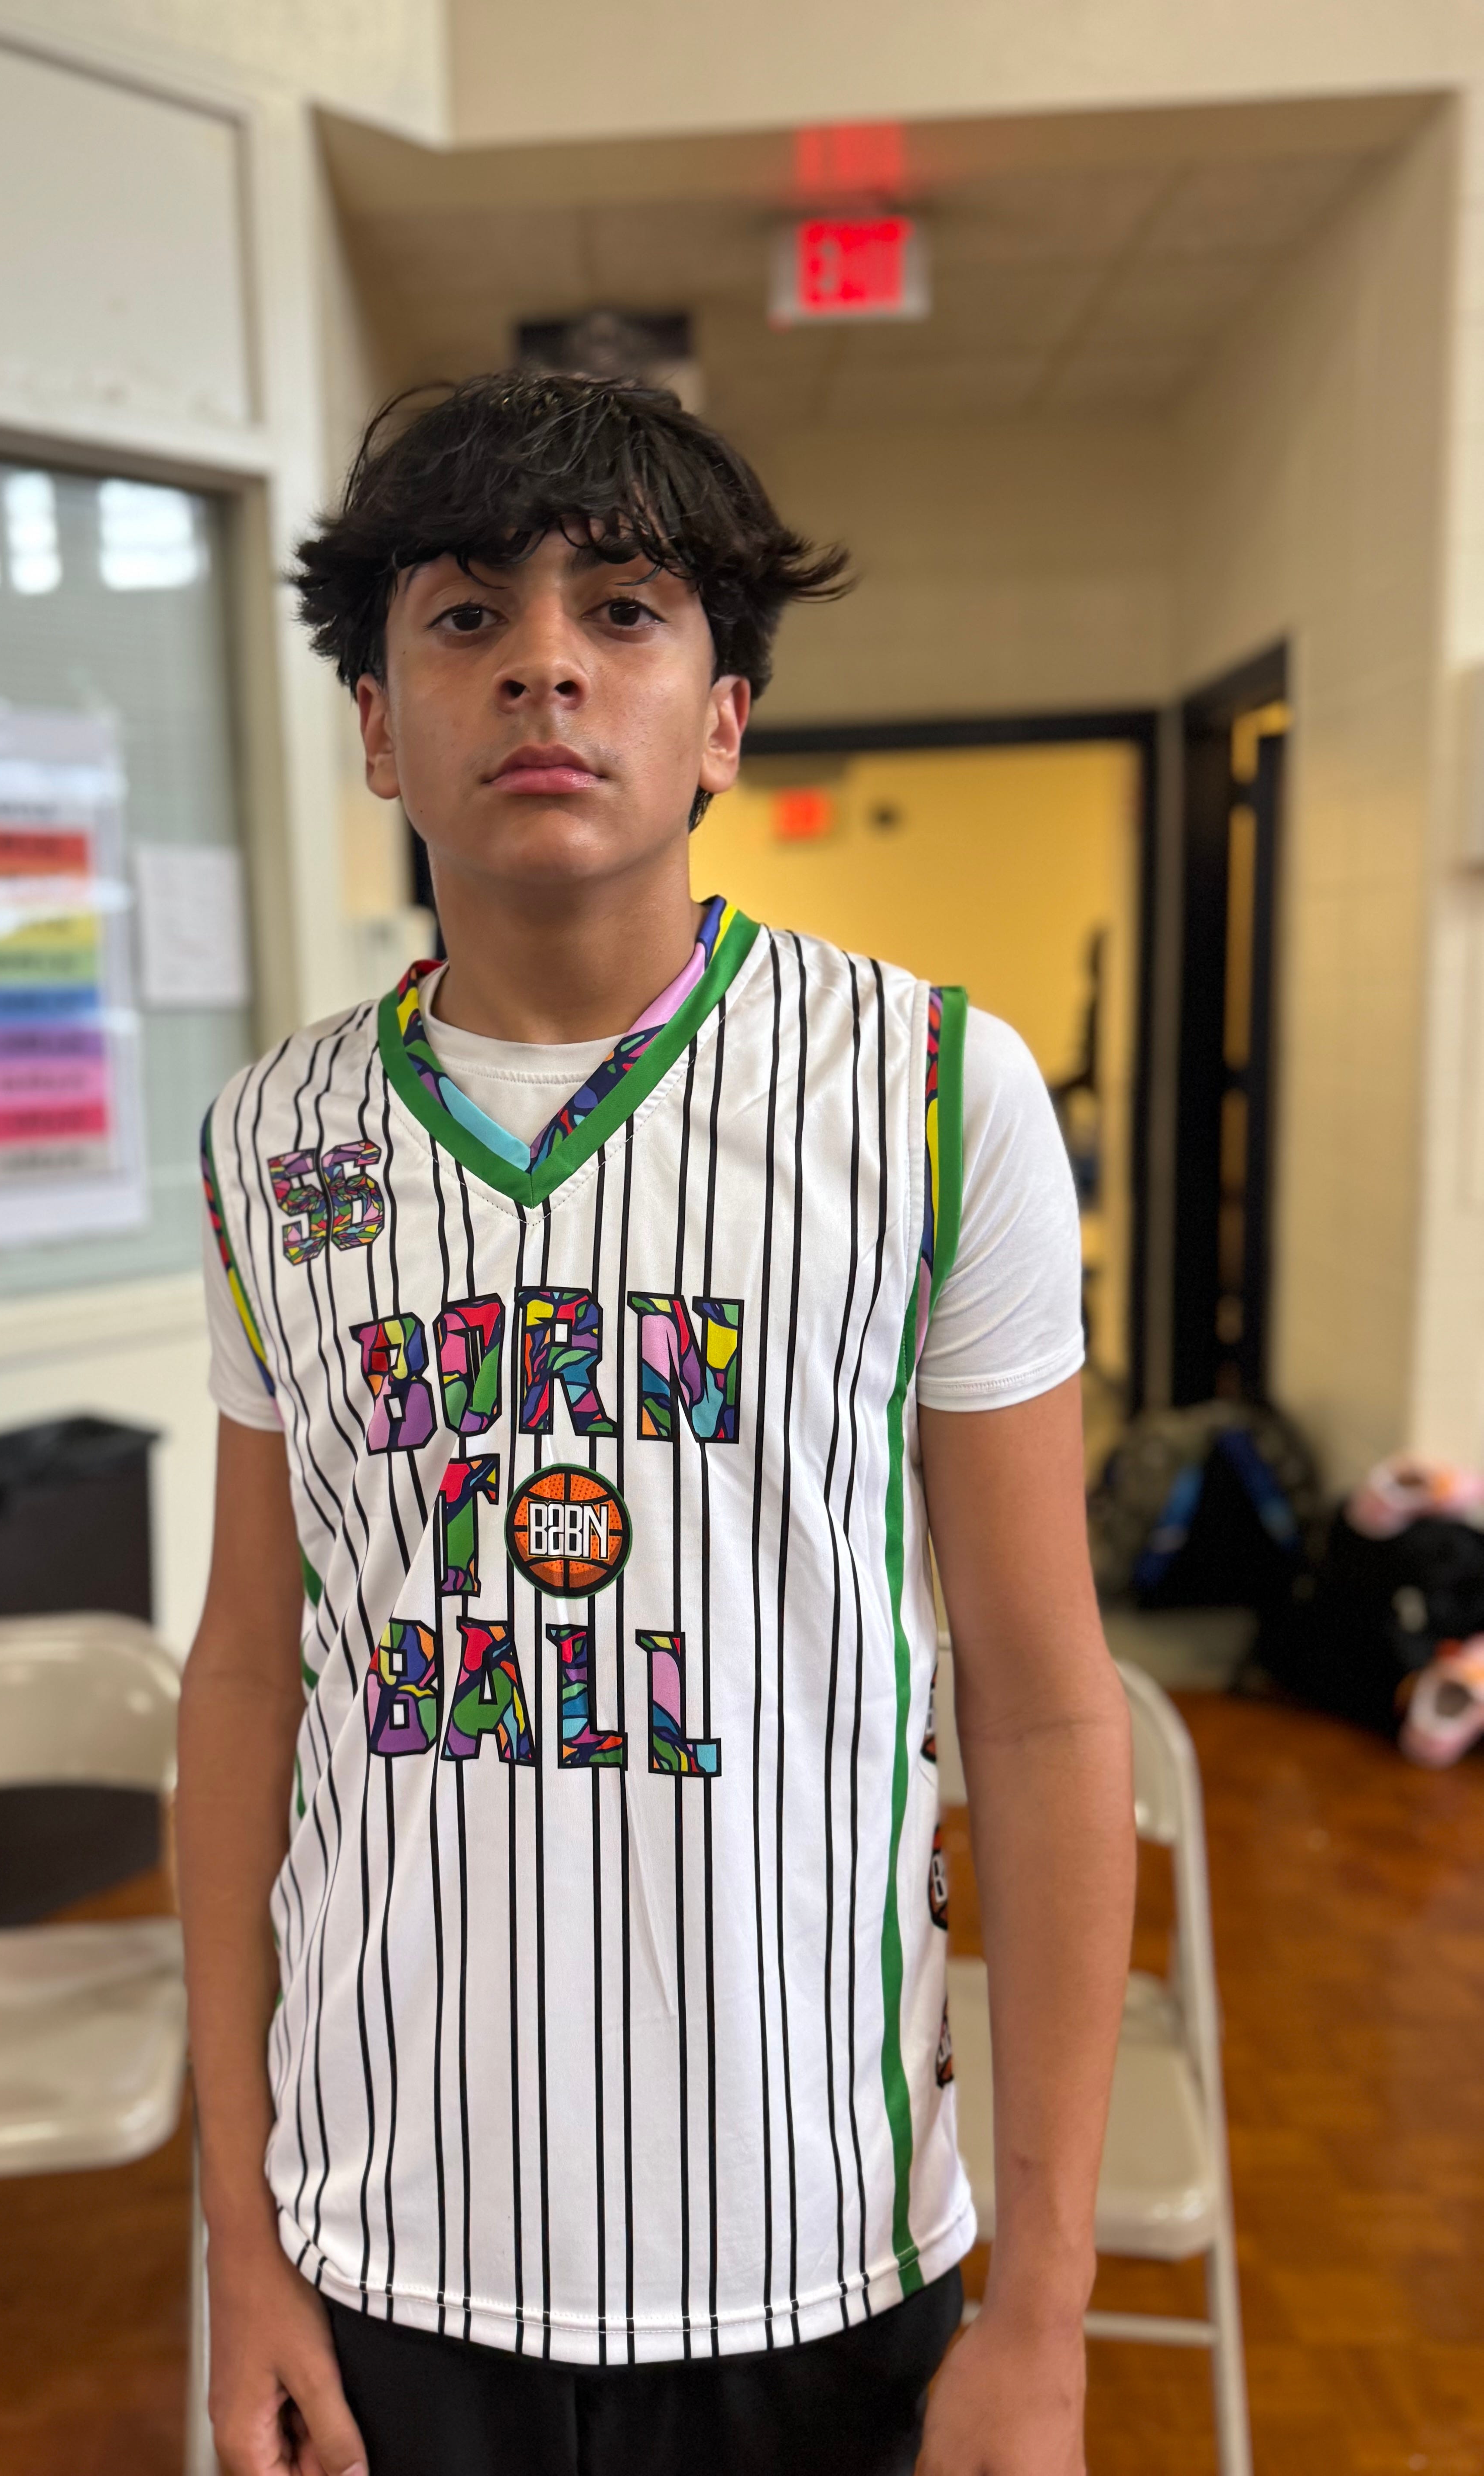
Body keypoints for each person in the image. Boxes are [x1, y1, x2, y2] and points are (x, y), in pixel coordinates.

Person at [180, 371, 1136, 2476]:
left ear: (720, 720)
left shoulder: (930, 1094)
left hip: (815, 2241)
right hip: (384, 2233)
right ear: (376, 726)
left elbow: (1048, 1706)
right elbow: (249, 1675)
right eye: (467, 616)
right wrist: (238, 2237)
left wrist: (1047, 2304)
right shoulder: (269, 1138)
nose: (545, 659)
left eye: (622, 609)